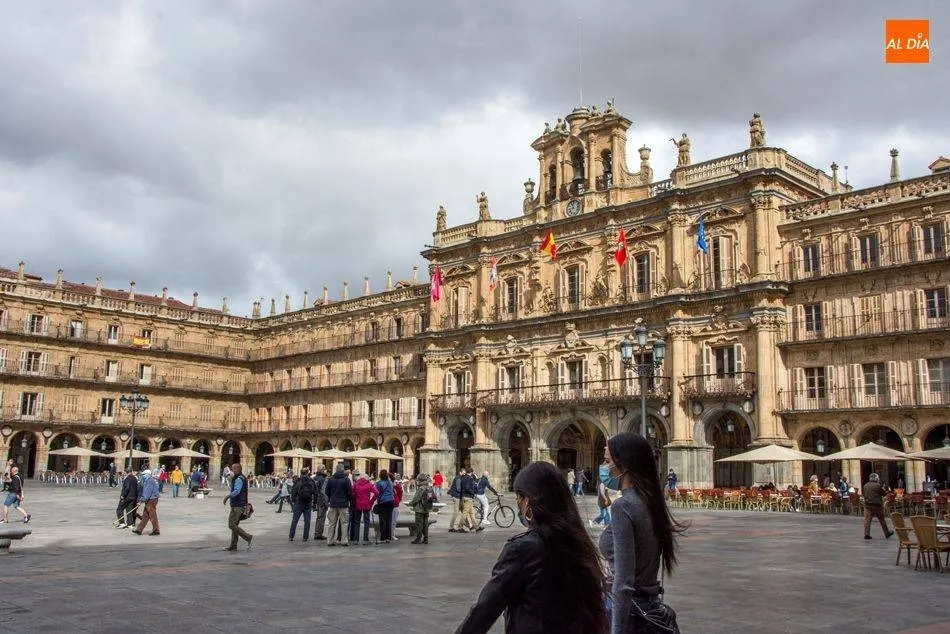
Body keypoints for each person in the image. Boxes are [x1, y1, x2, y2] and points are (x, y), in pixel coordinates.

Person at [454, 461, 608, 634]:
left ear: (528, 501)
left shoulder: (522, 548)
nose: (519, 504)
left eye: (519, 497)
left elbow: (485, 610)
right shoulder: (579, 542)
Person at [601, 433, 685, 634]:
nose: (603, 468)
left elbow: (624, 583)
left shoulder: (623, 506)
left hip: (630, 612)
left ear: (624, 465)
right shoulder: (651, 502)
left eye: (607, 461)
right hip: (650, 605)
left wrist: (617, 631)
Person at [222, 463, 253, 551]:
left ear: (239, 469)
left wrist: (227, 497)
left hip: (238, 505)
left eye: (233, 469)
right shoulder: (240, 477)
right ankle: (233, 545)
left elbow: (237, 491)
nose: (232, 471)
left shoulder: (239, 479)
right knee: (235, 525)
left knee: (231, 524)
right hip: (240, 504)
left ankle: (247, 537)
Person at [325, 463, 353, 547]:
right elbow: (349, 492)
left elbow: (327, 491)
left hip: (333, 503)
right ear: (343, 470)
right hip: (343, 504)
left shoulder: (331, 479)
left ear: (336, 470)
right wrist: (348, 499)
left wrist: (331, 498)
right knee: (344, 523)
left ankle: (330, 540)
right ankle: (344, 540)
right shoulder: (346, 479)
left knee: (332, 523)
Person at [862, 473, 894, 540]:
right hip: (877, 506)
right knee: (882, 520)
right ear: (876, 478)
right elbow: (884, 493)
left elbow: (864, 494)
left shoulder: (865, 485)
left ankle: (866, 534)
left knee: (867, 520)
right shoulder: (877, 485)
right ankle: (887, 533)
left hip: (867, 505)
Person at [353, 473, 379, 545]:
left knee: (357, 522)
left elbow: (352, 493)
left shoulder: (356, 484)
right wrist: (371, 501)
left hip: (358, 505)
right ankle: (365, 539)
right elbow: (377, 493)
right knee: (366, 522)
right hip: (367, 505)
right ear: (366, 478)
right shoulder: (369, 484)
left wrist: (355, 500)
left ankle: (356, 539)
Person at [289, 468, 314, 542]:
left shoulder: (298, 481)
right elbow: (315, 492)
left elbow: (293, 492)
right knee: (307, 521)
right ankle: (305, 537)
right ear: (307, 473)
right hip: (308, 503)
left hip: (299, 503)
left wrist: (294, 501)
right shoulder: (311, 481)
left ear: (301, 473)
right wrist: (314, 504)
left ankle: (291, 536)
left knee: (295, 520)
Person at [133, 469, 161, 536]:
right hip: (150, 499)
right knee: (145, 516)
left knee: (152, 515)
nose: (143, 475)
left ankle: (156, 530)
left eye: (144, 474)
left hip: (151, 500)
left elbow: (147, 493)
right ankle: (139, 529)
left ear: (148, 474)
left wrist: (141, 501)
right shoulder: (148, 480)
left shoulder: (149, 481)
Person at [409, 473, 434, 545]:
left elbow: (416, 498)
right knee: (425, 524)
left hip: (419, 509)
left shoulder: (421, 488)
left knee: (419, 524)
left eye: (417, 480)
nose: (417, 481)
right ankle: (425, 538)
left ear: (420, 480)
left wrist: (411, 503)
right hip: (426, 508)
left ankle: (418, 538)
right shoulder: (428, 487)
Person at [375, 470, 396, 544]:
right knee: (389, 519)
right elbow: (393, 489)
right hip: (391, 501)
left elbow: (376, 493)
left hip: (383, 502)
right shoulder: (390, 482)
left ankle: (383, 537)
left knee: (382, 520)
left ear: (380, 475)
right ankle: (388, 537)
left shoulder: (378, 483)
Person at [311, 464, 329, 541]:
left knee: (319, 517)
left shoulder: (314, 478)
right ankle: (319, 534)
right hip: (321, 500)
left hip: (316, 499)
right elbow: (323, 492)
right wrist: (326, 502)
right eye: (324, 469)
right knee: (321, 517)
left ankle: (317, 533)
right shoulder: (323, 479)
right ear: (322, 470)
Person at [391, 473, 404, 541]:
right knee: (391, 521)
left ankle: (391, 534)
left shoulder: (395, 486)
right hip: (388, 505)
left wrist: (398, 500)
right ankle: (388, 534)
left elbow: (400, 492)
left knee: (393, 521)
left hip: (393, 505)